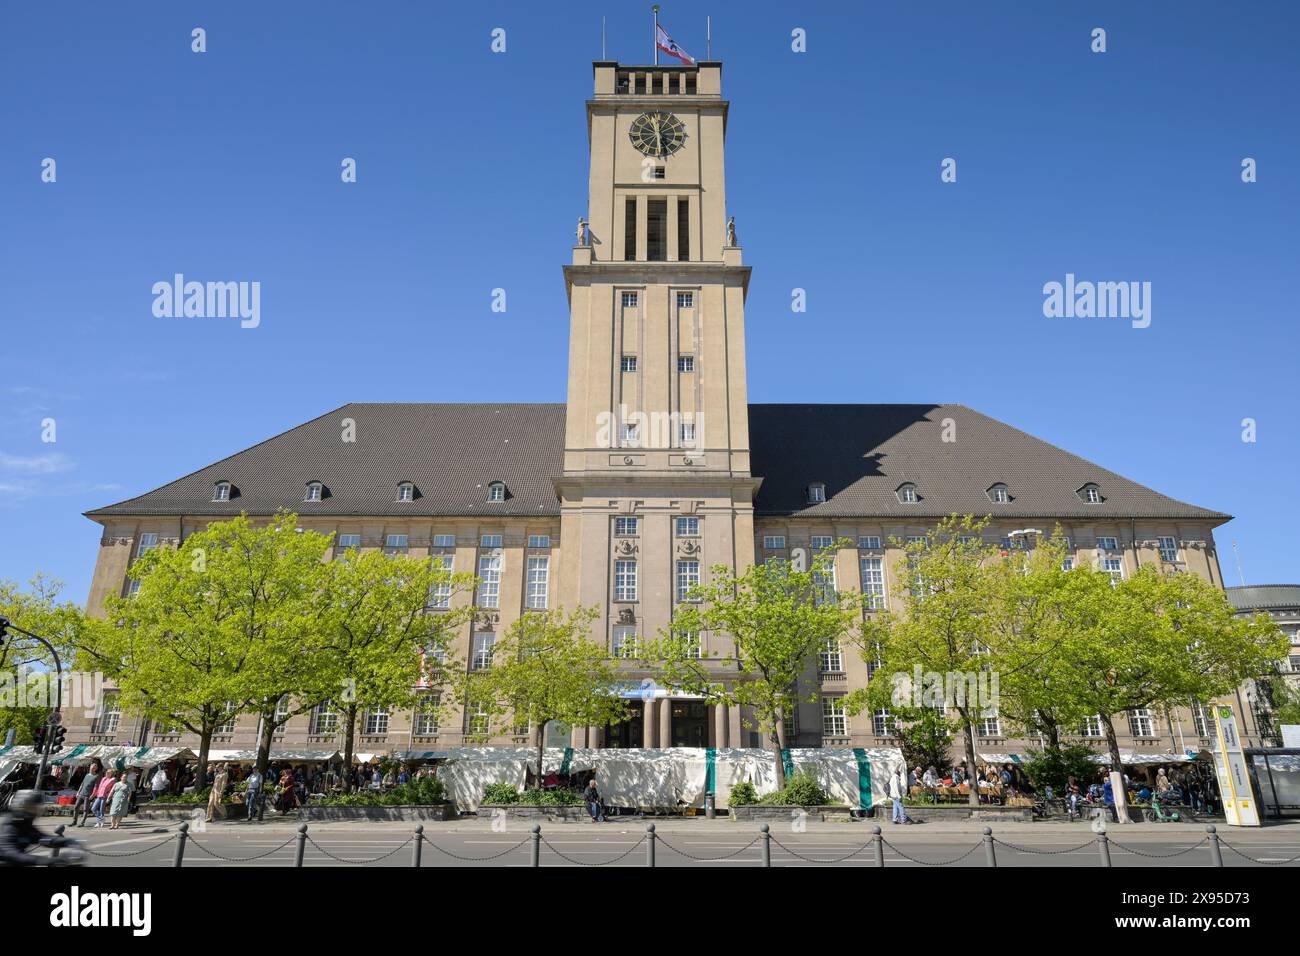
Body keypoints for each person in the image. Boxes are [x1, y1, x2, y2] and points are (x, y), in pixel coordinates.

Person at [0, 790, 78, 866]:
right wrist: (42, 860)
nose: (34, 812)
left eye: (36, 808)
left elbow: (42, 838)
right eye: (31, 808)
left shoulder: (24, 825)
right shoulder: (9, 827)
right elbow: (12, 854)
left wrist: (67, 842)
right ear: (20, 806)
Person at [72, 761, 102, 827]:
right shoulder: (87, 775)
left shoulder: (96, 776)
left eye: (94, 767)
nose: (93, 768)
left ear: (96, 768)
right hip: (81, 794)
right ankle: (74, 821)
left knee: (85, 809)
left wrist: (93, 794)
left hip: (88, 795)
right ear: (90, 767)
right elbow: (82, 784)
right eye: (92, 766)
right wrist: (78, 792)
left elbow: (96, 787)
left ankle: (82, 822)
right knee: (76, 807)